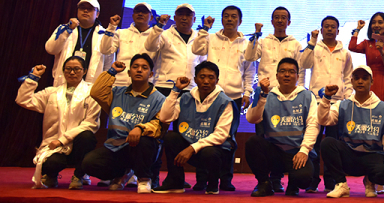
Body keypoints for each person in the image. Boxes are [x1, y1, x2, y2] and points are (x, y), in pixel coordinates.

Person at [245, 6, 309, 192]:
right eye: (277, 18)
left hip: (289, 96)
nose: (280, 21)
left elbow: (300, 69)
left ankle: (278, 179)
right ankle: (264, 180)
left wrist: (299, 90)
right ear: (272, 21)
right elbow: (249, 56)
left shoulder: (295, 44)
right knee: (262, 138)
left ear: (289, 22)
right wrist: (256, 35)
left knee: (287, 138)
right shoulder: (263, 41)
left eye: (284, 18)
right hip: (266, 93)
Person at [153, 61, 240, 194]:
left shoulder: (225, 102)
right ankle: (175, 182)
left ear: (217, 80)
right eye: (202, 77)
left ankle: (213, 184)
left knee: (209, 152)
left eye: (211, 77)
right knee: (171, 137)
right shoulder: (185, 98)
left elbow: (221, 135)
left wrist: (192, 148)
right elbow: (165, 118)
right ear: (195, 79)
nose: (206, 81)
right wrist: (175, 91)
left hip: (216, 152)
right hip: (192, 146)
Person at [82, 55, 166, 194]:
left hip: (141, 147)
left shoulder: (159, 99)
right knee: (89, 163)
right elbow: (96, 93)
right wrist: (112, 72)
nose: (139, 70)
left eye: (144, 68)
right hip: (116, 147)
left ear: (151, 74)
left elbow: (159, 125)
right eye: (135, 67)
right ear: (128, 72)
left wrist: (140, 128)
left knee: (144, 141)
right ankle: (121, 173)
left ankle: (144, 178)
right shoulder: (117, 93)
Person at [191, 5, 253, 191]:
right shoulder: (210, 37)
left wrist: (247, 92)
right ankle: (202, 179)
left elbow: (249, 71)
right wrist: (204, 29)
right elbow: (196, 49)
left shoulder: (246, 43)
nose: (229, 19)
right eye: (226, 16)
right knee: (204, 134)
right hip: (210, 95)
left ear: (240, 21)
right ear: (221, 19)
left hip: (233, 96)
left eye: (233, 17)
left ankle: (226, 179)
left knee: (229, 139)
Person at [16, 57, 100, 189]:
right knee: (49, 164)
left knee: (87, 136)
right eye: (68, 69)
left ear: (84, 71)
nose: (72, 72)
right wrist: (33, 78)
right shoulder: (51, 92)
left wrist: (62, 140)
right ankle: (51, 175)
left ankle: (79, 176)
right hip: (54, 145)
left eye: (76, 69)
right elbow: (23, 100)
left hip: (77, 144)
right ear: (63, 71)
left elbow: (90, 124)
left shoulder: (92, 93)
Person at [318, 65, 384, 198]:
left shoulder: (383, 108)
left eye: (365, 78)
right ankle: (341, 184)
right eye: (356, 78)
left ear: (372, 81)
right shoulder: (342, 105)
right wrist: (326, 98)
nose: (360, 81)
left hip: (372, 156)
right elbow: (323, 120)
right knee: (327, 143)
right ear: (352, 81)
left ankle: (370, 181)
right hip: (350, 156)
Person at [246, 58, 319, 197]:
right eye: (283, 71)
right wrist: (263, 96)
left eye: (291, 72)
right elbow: (251, 119)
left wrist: (304, 150)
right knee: (252, 143)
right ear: (276, 75)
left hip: (296, 151)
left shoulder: (307, 96)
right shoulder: (266, 94)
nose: (287, 75)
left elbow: (313, 125)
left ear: (297, 76)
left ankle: (293, 184)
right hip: (274, 151)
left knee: (304, 179)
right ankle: (264, 184)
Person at [300, 16, 353, 193]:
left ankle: (331, 182)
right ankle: (312, 181)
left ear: (338, 30)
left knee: (333, 144)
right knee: (313, 142)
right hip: (316, 101)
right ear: (321, 29)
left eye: (333, 27)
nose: (329, 29)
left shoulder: (345, 53)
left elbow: (348, 77)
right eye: (326, 27)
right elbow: (303, 64)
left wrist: (347, 99)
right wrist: (311, 42)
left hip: (337, 104)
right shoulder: (314, 48)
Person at [45, 0, 114, 86]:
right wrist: (67, 31)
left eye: (90, 9)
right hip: (64, 81)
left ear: (97, 14)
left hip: (90, 84)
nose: (85, 10)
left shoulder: (104, 34)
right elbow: (51, 49)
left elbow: (109, 63)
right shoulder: (64, 29)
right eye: (82, 8)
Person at [145, 3, 206, 96]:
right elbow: (150, 47)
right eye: (180, 14)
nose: (184, 18)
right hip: (164, 86)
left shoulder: (200, 37)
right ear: (174, 18)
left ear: (194, 19)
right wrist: (159, 26)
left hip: (191, 88)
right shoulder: (164, 34)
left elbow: (203, 63)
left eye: (188, 15)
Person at [99, 2, 157, 88]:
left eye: (144, 12)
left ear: (151, 17)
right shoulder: (121, 33)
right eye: (137, 11)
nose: (140, 14)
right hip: (120, 82)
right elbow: (105, 50)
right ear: (133, 16)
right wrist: (111, 27)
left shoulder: (156, 36)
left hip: (145, 84)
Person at [349, 12, 384, 104]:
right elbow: (352, 47)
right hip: (369, 81)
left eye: (380, 22)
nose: (376, 25)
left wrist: (381, 50)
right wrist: (358, 29)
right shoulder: (367, 43)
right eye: (373, 23)